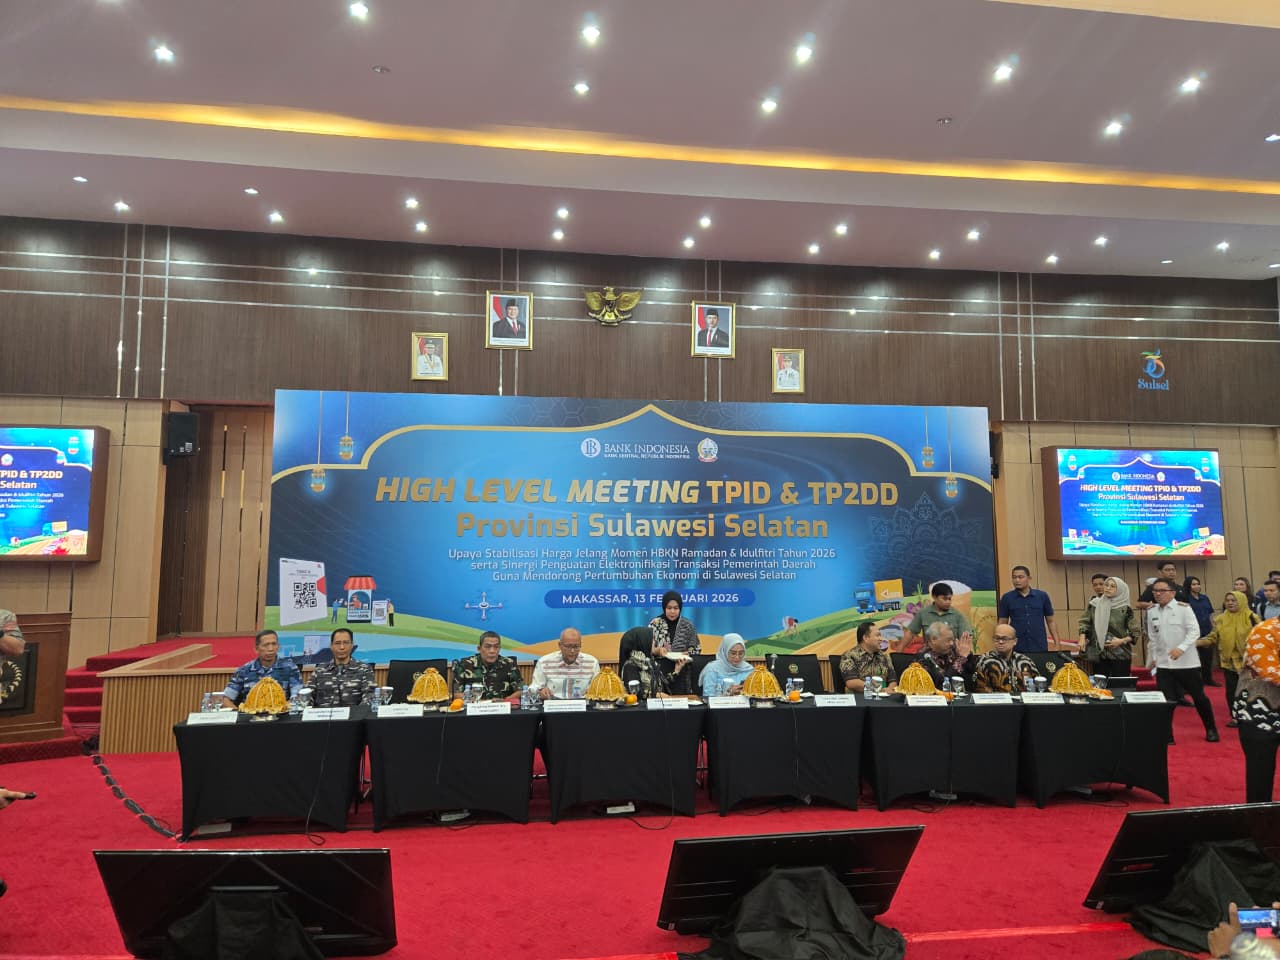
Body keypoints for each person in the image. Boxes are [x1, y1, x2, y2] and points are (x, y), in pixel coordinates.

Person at [1147, 577, 1219, 743]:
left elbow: (1194, 632)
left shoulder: (1183, 609)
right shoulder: (1152, 611)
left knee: (1199, 697)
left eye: (1162, 590)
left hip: (1187, 663)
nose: (1157, 594)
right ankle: (1167, 734)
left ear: (1172, 593)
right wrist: (1154, 658)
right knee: (1166, 701)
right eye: (1155, 591)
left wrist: (1181, 648)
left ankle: (1211, 729)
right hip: (1164, 664)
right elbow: (1153, 637)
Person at [1233, 618, 1280, 802]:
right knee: (1260, 776)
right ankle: (1259, 818)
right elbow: (1270, 671)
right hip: (1261, 714)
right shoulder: (1265, 630)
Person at [1203, 591, 1258, 728]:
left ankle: (1251, 716)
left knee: (1249, 691)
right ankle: (1235, 717)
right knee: (1231, 692)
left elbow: (1259, 638)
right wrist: (1196, 643)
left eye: (1234, 600)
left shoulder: (1252, 617)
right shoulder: (1220, 619)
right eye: (1227, 600)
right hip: (1229, 662)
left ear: (1242, 601)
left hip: (1248, 662)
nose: (1230, 603)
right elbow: (1213, 637)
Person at [220, 629, 302, 707]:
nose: (271, 649)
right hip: (250, 714)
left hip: (281, 714)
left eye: (274, 644)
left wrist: (283, 708)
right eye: (266, 645)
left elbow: (298, 697)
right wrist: (239, 713)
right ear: (256, 649)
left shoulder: (290, 668)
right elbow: (226, 699)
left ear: (278, 646)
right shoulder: (244, 670)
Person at [1079, 576, 1140, 678]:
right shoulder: (1095, 605)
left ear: (1120, 589)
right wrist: (1082, 637)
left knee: (1119, 684)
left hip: (1120, 654)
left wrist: (1121, 641)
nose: (1108, 588)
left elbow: (1136, 632)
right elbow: (1085, 622)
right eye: (1106, 585)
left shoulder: (1125, 609)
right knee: (1101, 684)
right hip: (1099, 654)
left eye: (1112, 586)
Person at [997, 565, 1064, 653]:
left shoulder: (1042, 596)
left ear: (1029, 578)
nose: (1017, 580)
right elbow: (1002, 623)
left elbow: (1051, 621)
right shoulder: (1007, 598)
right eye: (1014, 577)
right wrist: (1001, 643)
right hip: (1016, 646)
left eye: (1020, 577)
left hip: (1039, 645)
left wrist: (1057, 644)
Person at [895, 582, 972, 653]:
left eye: (949, 599)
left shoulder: (958, 616)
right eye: (945, 599)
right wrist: (899, 649)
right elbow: (910, 632)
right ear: (934, 597)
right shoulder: (923, 613)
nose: (948, 602)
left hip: (952, 656)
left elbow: (966, 638)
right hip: (929, 656)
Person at [649, 590, 700, 694]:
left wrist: (688, 653)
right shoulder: (655, 624)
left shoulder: (687, 625)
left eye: (676, 608)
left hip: (682, 671)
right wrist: (657, 651)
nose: (672, 611)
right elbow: (647, 648)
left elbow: (697, 649)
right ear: (664, 607)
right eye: (669, 608)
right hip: (660, 672)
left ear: (680, 608)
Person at [309, 628, 375, 707]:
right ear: (331, 646)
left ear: (352, 645)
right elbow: (307, 697)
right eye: (337, 643)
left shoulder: (364, 669)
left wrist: (356, 713)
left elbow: (369, 696)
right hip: (323, 714)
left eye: (346, 643)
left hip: (354, 714)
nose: (342, 647)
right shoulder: (319, 671)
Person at [452, 630, 524, 700]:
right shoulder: (465, 664)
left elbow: (521, 690)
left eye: (496, 647)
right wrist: (480, 703)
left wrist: (504, 701)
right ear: (479, 649)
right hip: (474, 706)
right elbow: (456, 694)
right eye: (487, 646)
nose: (492, 651)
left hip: (501, 706)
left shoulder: (509, 664)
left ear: (499, 648)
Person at [530, 627, 599, 700]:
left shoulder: (592, 663)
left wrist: (593, 692)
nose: (572, 651)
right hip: (553, 705)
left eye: (576, 646)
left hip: (583, 705)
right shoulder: (544, 662)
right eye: (568, 646)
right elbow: (533, 689)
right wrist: (540, 691)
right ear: (560, 645)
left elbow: (598, 690)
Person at [971, 624, 1039, 693]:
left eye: (1005, 639)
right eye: (997, 638)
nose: (1000, 642)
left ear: (1015, 641)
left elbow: (1038, 687)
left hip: (1024, 699)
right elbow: (978, 689)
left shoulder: (1025, 661)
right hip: (995, 699)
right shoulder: (984, 661)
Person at [914, 621, 976, 690]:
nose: (952, 643)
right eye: (948, 640)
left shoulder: (954, 650)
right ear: (933, 639)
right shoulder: (923, 657)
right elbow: (942, 684)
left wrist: (968, 655)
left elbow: (971, 675)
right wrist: (961, 659)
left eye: (952, 640)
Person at [838, 622, 897, 693]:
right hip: (859, 698)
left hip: (883, 698)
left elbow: (893, 680)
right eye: (877, 635)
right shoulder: (849, 656)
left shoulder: (884, 657)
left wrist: (890, 691)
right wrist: (880, 690)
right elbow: (852, 683)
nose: (881, 639)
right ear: (866, 638)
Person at [1184, 575, 1220, 686]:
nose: (1196, 586)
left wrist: (1213, 627)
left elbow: (1210, 614)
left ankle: (1207, 679)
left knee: (1207, 658)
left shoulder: (1204, 598)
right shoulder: (1185, 598)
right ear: (1188, 586)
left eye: (1198, 584)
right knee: (1192, 659)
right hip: (1192, 632)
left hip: (1206, 631)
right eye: (1193, 584)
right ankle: (1194, 681)